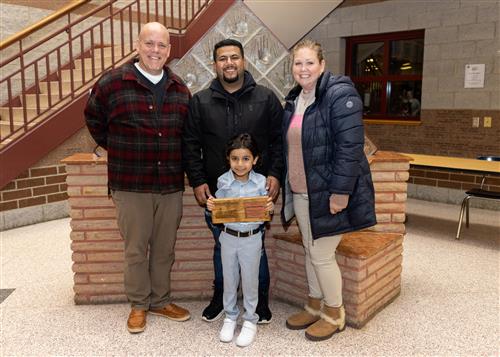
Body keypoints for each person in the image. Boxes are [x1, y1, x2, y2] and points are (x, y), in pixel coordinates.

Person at [84, 22, 191, 334]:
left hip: (170, 184)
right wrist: (115, 147)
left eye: (161, 45)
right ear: (138, 45)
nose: (155, 50)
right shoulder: (112, 83)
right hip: (130, 184)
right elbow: (93, 119)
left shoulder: (180, 88)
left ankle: (161, 300)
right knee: (135, 249)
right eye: (149, 43)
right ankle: (139, 304)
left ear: (169, 51)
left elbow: (186, 135)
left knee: (164, 248)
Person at [281, 39, 376, 341]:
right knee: (311, 251)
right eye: (298, 63)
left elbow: (350, 148)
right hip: (301, 191)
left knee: (321, 255)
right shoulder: (295, 99)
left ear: (322, 65)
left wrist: (341, 192)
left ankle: (335, 313)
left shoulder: (339, 94)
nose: (304, 68)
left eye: (310, 62)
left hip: (327, 192)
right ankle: (314, 305)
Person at [182, 39, 283, 324]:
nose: (229, 63)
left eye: (234, 57)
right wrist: (198, 180)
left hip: (256, 193)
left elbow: (278, 142)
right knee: (222, 247)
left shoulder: (266, 98)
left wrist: (275, 174)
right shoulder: (200, 101)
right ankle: (220, 300)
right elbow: (190, 144)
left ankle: (260, 302)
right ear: (215, 65)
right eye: (223, 58)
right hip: (219, 195)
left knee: (256, 247)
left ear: (244, 61)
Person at [206, 133, 274, 347]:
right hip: (228, 237)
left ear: (254, 159)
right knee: (229, 279)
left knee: (251, 280)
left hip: (252, 239)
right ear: (228, 159)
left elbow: (263, 212)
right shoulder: (223, 181)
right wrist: (212, 207)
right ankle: (230, 316)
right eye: (235, 158)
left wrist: (269, 210)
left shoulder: (261, 182)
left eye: (245, 158)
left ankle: (250, 319)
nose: (240, 164)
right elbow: (221, 209)